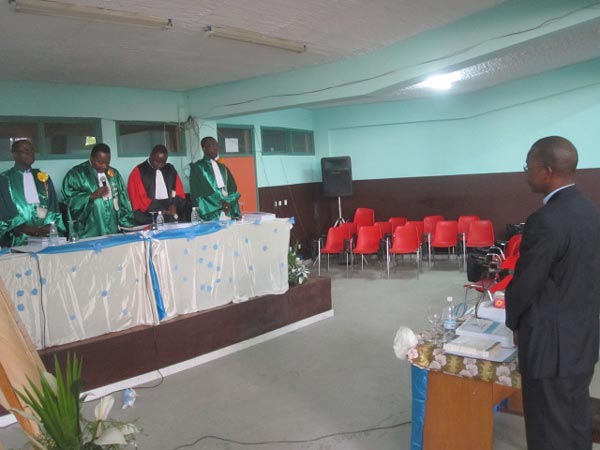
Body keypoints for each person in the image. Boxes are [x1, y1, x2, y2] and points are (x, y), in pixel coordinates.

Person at [505, 136, 600, 450]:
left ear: (546, 171)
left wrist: (513, 321)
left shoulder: (545, 220)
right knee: (575, 421)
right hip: (582, 338)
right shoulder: (590, 211)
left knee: (548, 429)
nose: (525, 173)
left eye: (528, 167)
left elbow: (526, 283)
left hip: (550, 348)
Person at [0, 140, 66, 247]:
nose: (30, 153)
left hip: (44, 235)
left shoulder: (43, 177)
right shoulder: (4, 178)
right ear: (15, 155)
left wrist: (50, 225)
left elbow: (52, 205)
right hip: (19, 235)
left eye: (31, 150)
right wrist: (23, 228)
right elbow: (5, 208)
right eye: (25, 150)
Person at [62, 143, 135, 239]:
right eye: (100, 162)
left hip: (113, 228)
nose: (104, 166)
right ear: (91, 158)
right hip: (89, 230)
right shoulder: (76, 174)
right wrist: (91, 196)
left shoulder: (114, 174)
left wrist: (127, 224)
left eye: (107, 162)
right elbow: (68, 200)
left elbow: (123, 200)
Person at [127, 144, 186, 225]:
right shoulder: (138, 171)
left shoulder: (170, 169)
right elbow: (139, 198)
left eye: (163, 162)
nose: (159, 165)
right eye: (156, 161)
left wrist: (174, 205)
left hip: (169, 214)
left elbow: (178, 191)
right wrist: (159, 209)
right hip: (148, 216)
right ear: (151, 155)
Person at [189, 136, 241, 221]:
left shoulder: (222, 167)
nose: (215, 148)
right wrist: (220, 204)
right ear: (204, 148)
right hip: (211, 209)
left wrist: (229, 201)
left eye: (216, 145)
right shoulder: (198, 167)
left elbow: (232, 188)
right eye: (211, 146)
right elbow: (200, 192)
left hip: (227, 207)